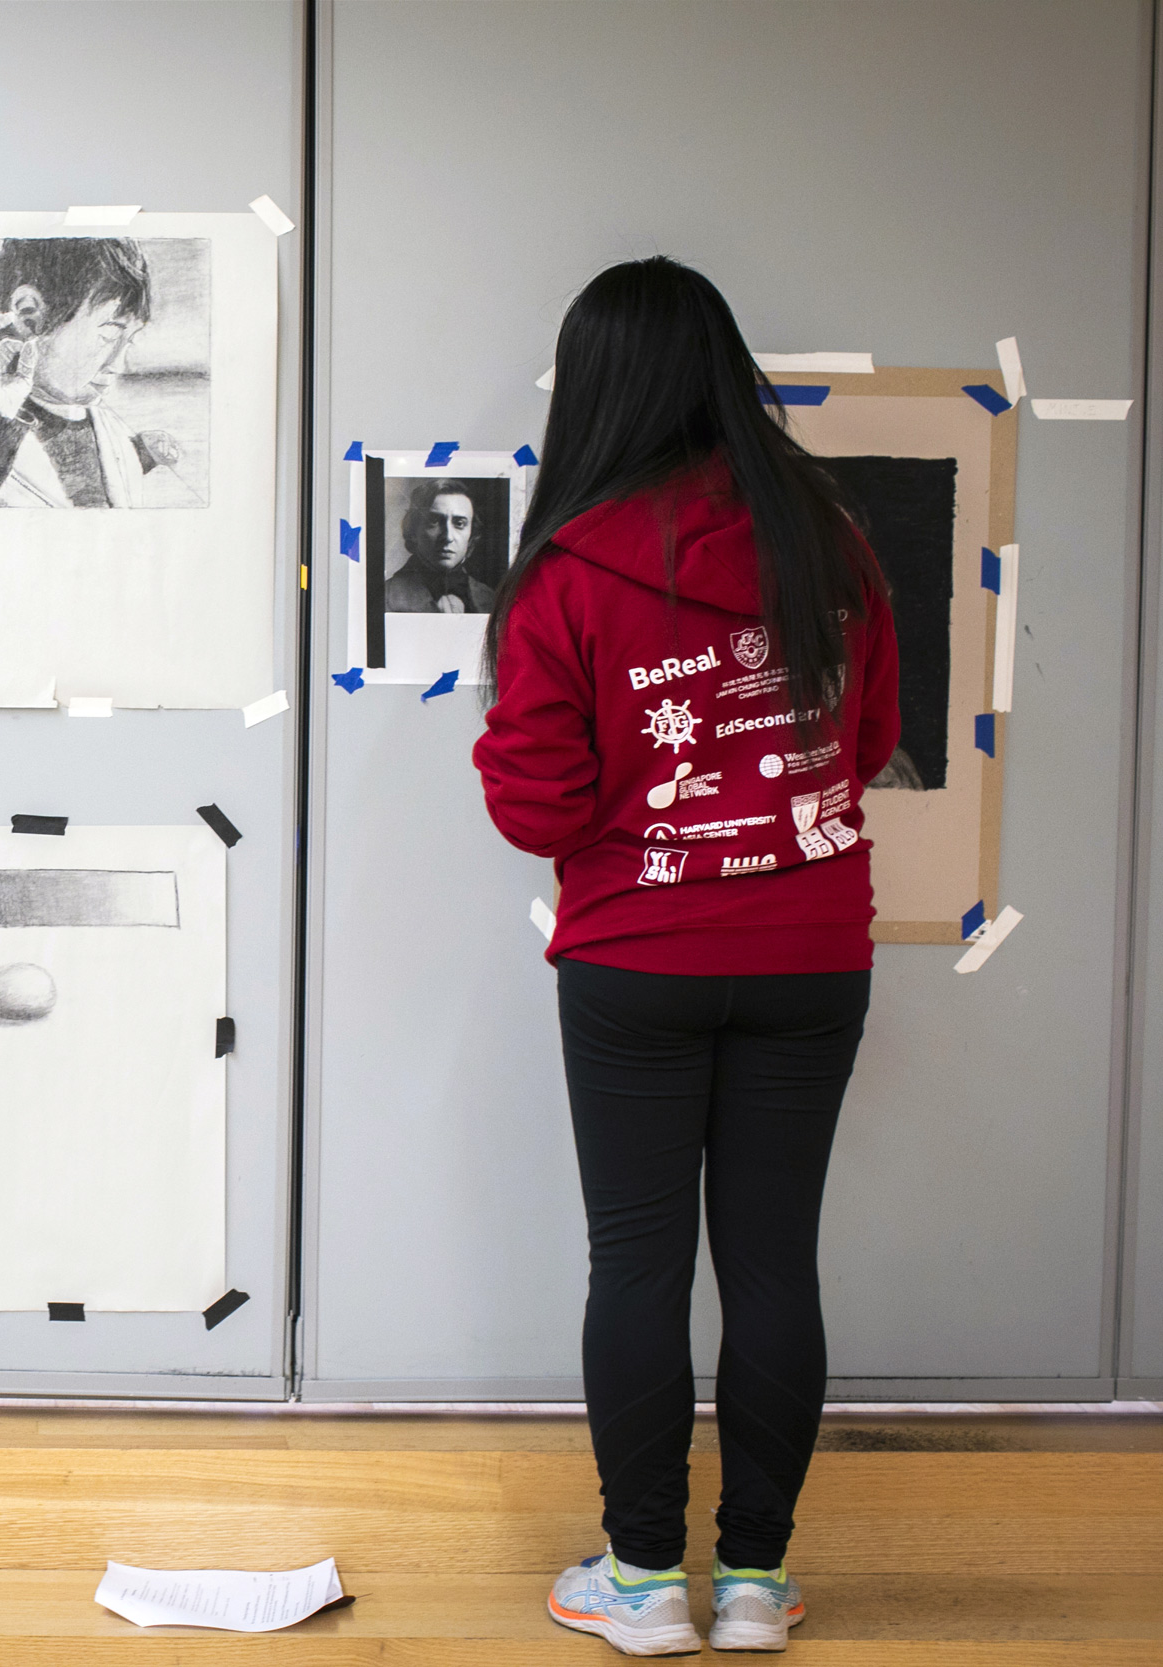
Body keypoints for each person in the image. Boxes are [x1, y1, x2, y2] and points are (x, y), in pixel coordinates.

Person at [472, 256, 900, 1657]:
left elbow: (534, 803)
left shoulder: (570, 566)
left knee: (639, 1262)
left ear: (594, 389)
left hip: (635, 965)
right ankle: (760, 1583)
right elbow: (873, 733)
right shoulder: (829, 538)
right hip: (812, 951)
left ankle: (648, 1579)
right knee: (776, 1260)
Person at [0, 237, 182, 509]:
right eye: (109, 335)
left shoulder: (106, 427)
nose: (118, 365)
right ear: (28, 315)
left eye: (130, 341)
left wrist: (142, 453)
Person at [383, 479, 495, 613]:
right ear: (413, 530)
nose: (448, 537)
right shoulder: (384, 598)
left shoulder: (490, 599)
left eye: (459, 523)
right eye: (434, 521)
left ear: (471, 534)